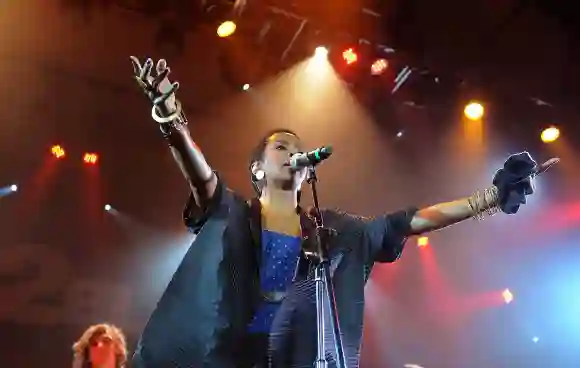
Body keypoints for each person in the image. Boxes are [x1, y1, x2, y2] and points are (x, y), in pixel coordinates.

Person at [129, 57, 551, 367]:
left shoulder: (333, 230)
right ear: (257, 169)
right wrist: (172, 121)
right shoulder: (235, 216)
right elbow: (202, 178)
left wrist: (490, 198)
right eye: (281, 147)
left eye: (298, 147)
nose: (293, 152)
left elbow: (411, 220)